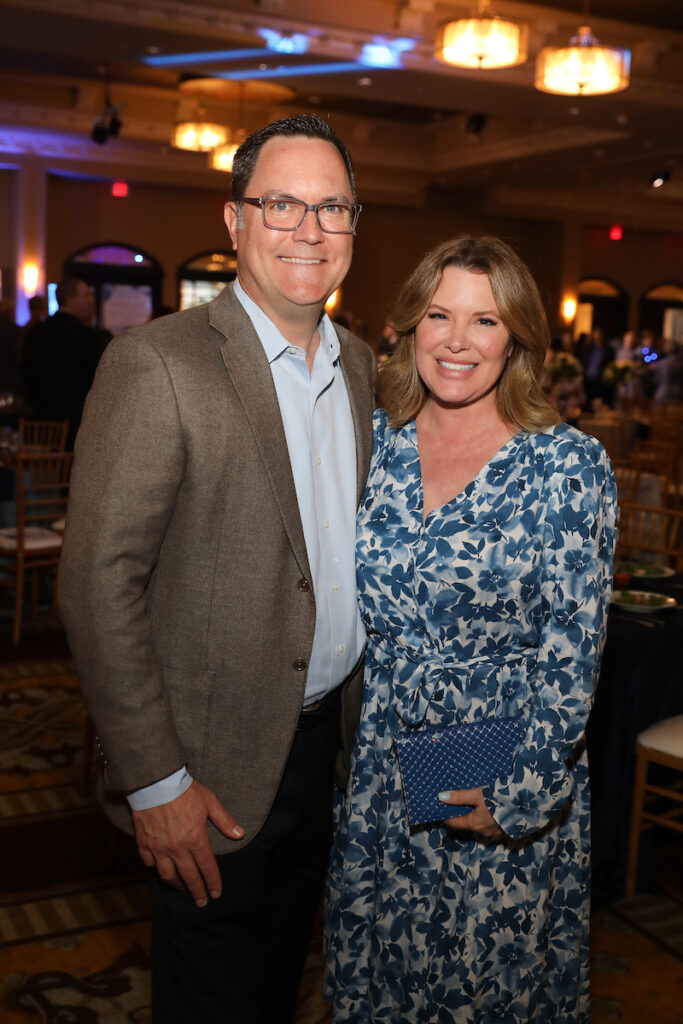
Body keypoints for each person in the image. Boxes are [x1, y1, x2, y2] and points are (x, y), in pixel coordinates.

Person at [58, 114, 375, 1024]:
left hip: (325, 753)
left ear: (354, 228)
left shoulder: (361, 368)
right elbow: (96, 584)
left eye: (332, 208)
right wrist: (155, 782)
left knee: (276, 987)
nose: (308, 229)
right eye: (282, 204)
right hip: (206, 768)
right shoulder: (157, 363)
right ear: (235, 220)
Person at [325, 236, 617, 1022]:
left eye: (483, 320)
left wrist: (521, 793)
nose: (457, 340)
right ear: (407, 325)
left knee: (482, 986)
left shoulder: (565, 465)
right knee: (383, 975)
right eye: (438, 315)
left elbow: (572, 653)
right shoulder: (373, 443)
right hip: (382, 769)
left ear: (515, 337)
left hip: (500, 766)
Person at [22, 278, 102, 448]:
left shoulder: (37, 332)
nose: (90, 301)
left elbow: (25, 373)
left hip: (41, 421)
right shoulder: (83, 336)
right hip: (76, 422)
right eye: (85, 295)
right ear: (70, 300)